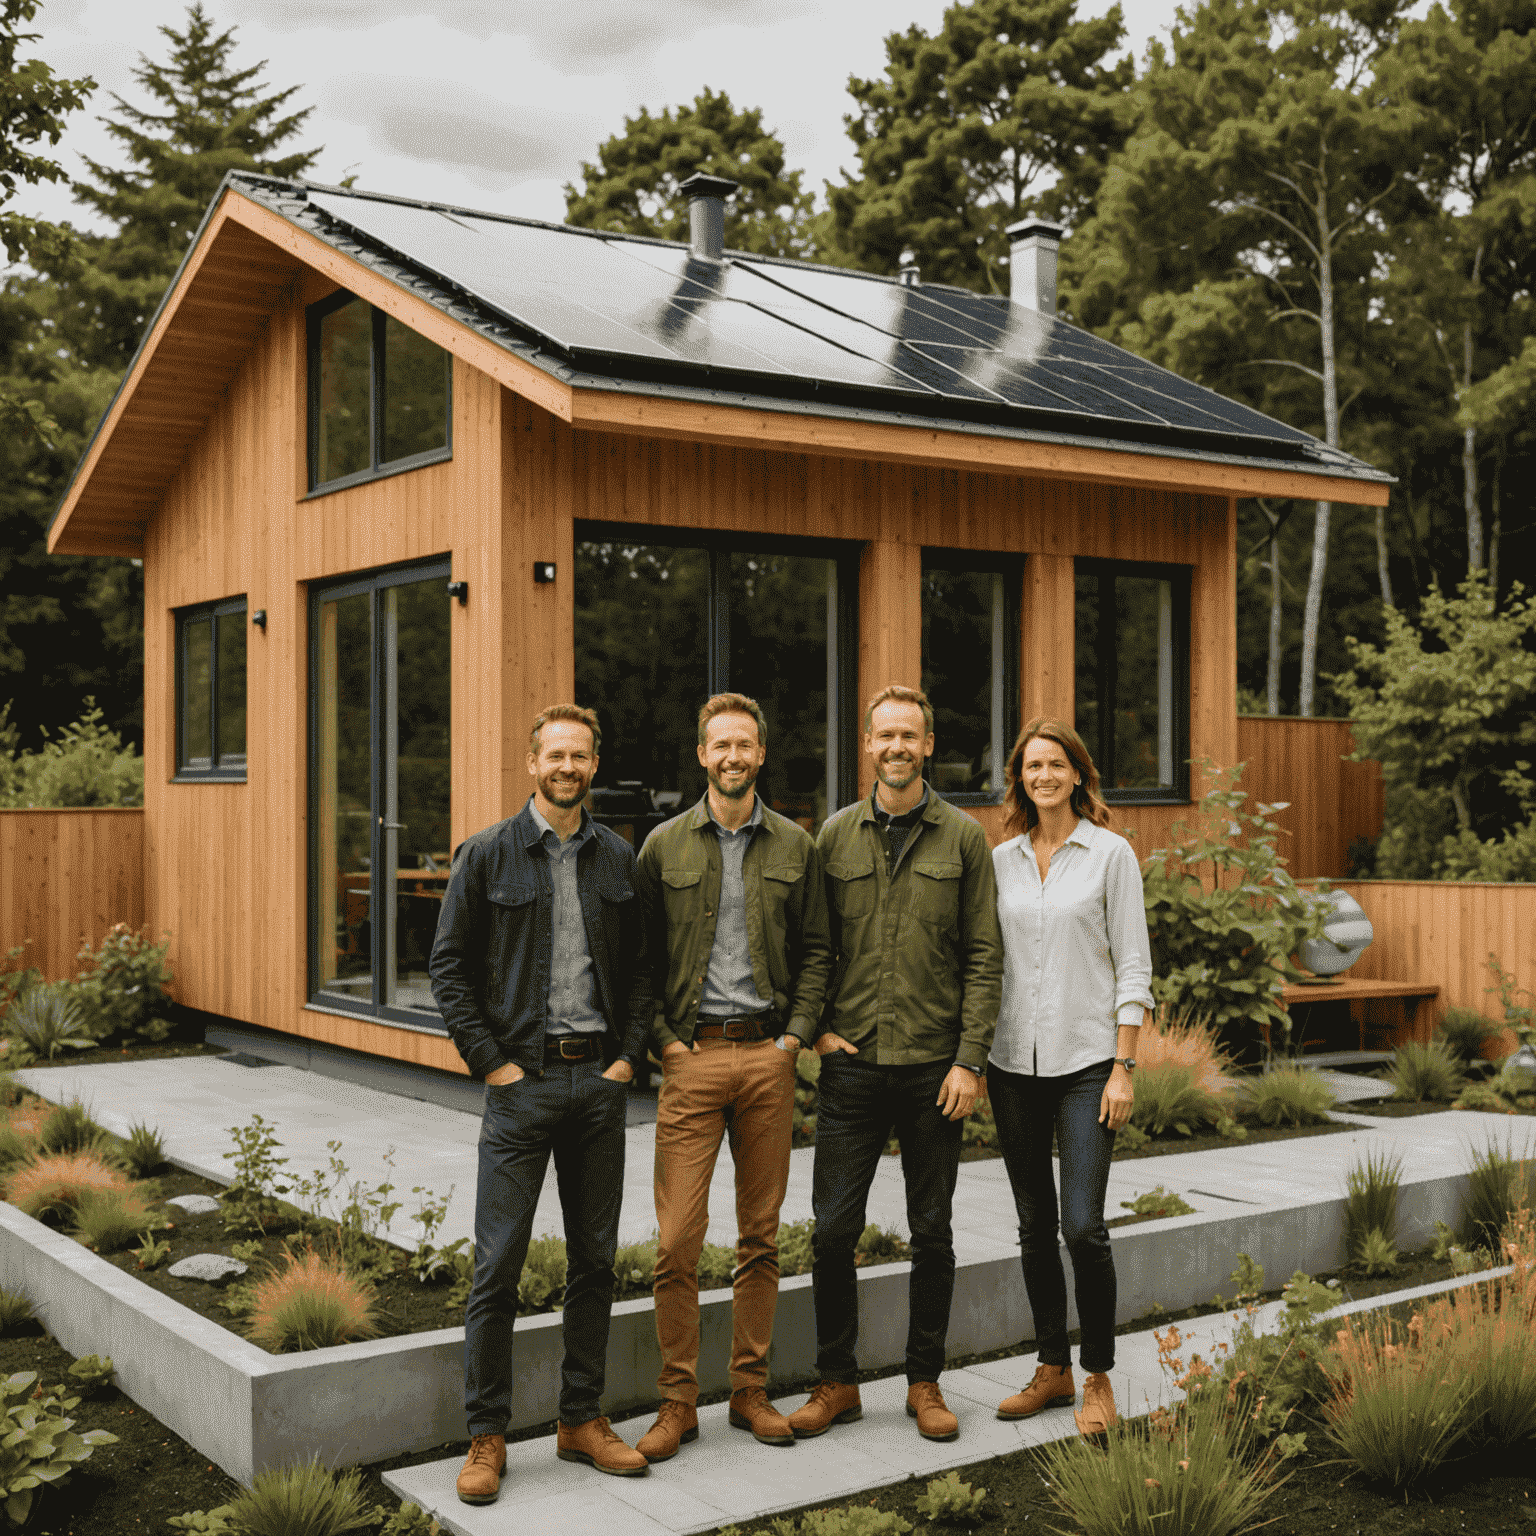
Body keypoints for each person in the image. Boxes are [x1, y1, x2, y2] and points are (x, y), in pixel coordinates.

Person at [430, 704, 652, 1506]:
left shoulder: (617, 857)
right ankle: (486, 1435)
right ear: (532, 763)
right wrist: (491, 1066)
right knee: (497, 1266)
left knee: (595, 1263)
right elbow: (448, 968)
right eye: (554, 754)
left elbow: (640, 972)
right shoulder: (488, 855)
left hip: (597, 1085)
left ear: (594, 763)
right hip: (520, 1089)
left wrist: (628, 1058)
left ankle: (580, 1419)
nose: (567, 766)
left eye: (580, 755)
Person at [788, 684, 1002, 1444]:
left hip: (933, 1070)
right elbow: (811, 947)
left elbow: (984, 957)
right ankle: (836, 1381)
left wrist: (970, 1062)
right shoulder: (834, 837)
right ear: (868, 745)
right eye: (885, 735)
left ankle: (924, 1382)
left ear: (929, 744)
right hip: (851, 1066)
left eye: (909, 735)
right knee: (831, 1231)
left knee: (933, 1231)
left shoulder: (965, 839)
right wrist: (812, 1032)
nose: (897, 747)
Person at [632, 692, 832, 1460]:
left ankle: (749, 1391)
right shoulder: (662, 848)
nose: (732, 756)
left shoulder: (795, 846)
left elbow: (817, 949)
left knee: (761, 1235)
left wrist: (793, 1037)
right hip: (692, 1058)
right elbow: (640, 961)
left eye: (744, 744)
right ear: (701, 754)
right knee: (678, 1239)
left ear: (760, 752)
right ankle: (676, 1403)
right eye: (720, 744)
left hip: (767, 1060)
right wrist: (664, 1044)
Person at [986, 718, 1153, 1439]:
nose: (1044, 775)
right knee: (1032, 1224)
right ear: (1020, 778)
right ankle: (1051, 1367)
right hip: (1011, 1064)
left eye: (1056, 764)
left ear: (1078, 774)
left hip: (1089, 1063)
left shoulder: (1111, 856)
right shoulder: (1002, 861)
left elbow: (1134, 967)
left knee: (1082, 1226)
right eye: (1032, 766)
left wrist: (1125, 1065)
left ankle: (1097, 1376)